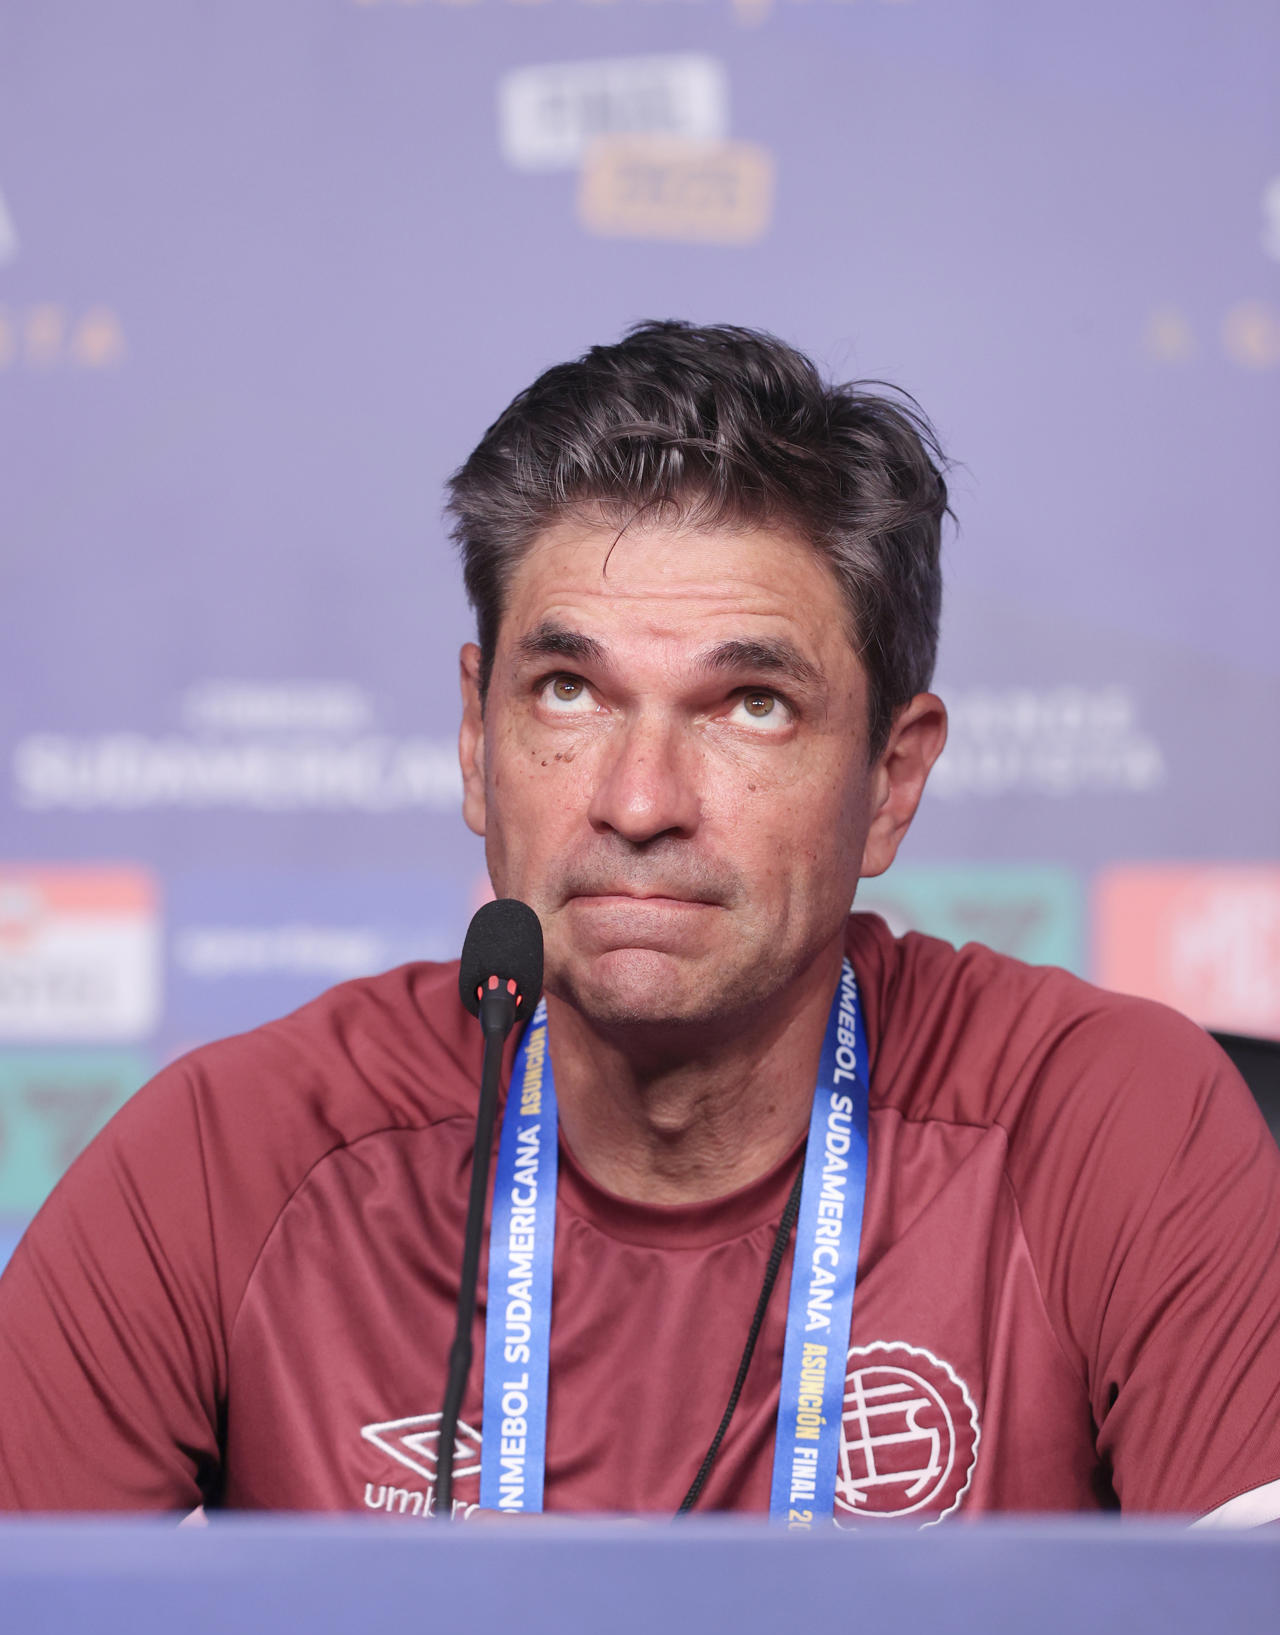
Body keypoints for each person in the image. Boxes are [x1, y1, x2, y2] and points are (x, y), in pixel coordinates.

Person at [1, 321, 1278, 1526]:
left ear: (890, 781)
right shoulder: (234, 1159)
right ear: (472, 736)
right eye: (568, 692)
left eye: (749, 706)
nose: (638, 800)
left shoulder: (1108, 1127)